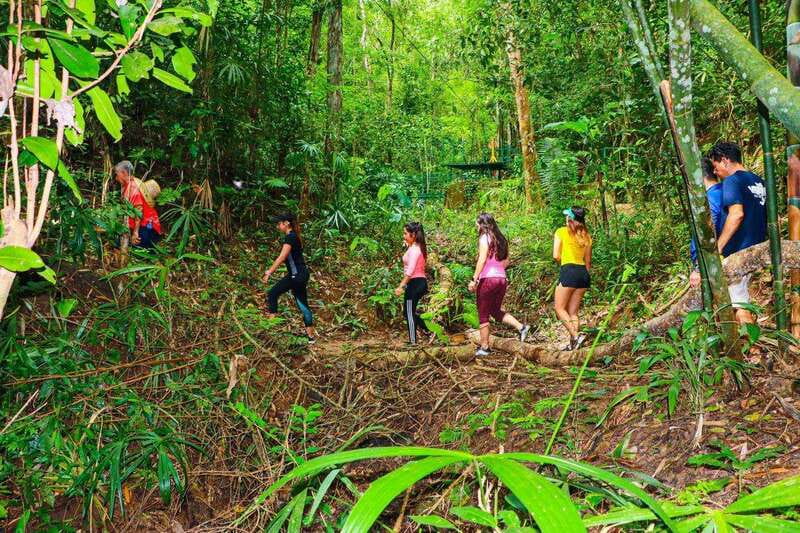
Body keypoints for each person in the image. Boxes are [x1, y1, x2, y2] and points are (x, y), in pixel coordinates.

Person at [708, 141, 767, 325]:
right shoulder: (759, 181)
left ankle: (752, 349)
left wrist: (718, 247)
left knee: (739, 305)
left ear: (725, 160)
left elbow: (736, 215)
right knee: (741, 298)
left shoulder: (732, 181)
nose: (715, 172)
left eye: (716, 166)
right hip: (757, 249)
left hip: (739, 253)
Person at [468, 213, 530, 357]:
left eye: (477, 224)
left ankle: (485, 347)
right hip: (501, 279)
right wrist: (496, 269)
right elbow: (506, 261)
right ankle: (521, 327)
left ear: (483, 225)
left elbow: (482, 260)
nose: (476, 226)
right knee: (495, 311)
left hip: (488, 280)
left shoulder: (485, 238)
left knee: (483, 313)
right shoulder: (501, 239)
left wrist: (474, 279)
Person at [262, 213, 317, 342]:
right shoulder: (293, 236)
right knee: (302, 303)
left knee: (273, 293)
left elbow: (282, 257)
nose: (277, 226)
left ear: (286, 223)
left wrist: (269, 272)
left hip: (296, 275)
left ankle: (270, 330)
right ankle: (311, 337)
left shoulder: (290, 237)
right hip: (300, 274)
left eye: (279, 223)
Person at [553, 206, 592, 350]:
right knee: (573, 312)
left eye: (567, 216)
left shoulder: (561, 232)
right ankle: (574, 345)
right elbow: (588, 261)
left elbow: (556, 255)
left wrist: (567, 265)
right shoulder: (586, 236)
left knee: (559, 308)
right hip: (583, 273)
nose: (566, 218)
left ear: (571, 218)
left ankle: (576, 336)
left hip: (569, 271)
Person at [395, 222, 433, 345]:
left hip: (415, 283)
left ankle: (413, 341)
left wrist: (401, 286)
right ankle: (429, 330)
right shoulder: (416, 247)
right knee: (407, 312)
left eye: (406, 233)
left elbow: (410, 271)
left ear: (414, 234)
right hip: (417, 283)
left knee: (409, 313)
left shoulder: (415, 249)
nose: (404, 236)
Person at [689, 158, 724, 289]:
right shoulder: (724, 190)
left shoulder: (710, 198)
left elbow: (709, 229)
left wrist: (699, 268)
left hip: (710, 263)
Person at [114, 160, 162, 248]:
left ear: (124, 173)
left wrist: (135, 233)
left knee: (133, 246)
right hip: (140, 225)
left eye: (117, 174)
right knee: (118, 242)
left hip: (148, 227)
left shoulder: (133, 189)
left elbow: (138, 212)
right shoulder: (129, 184)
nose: (116, 178)